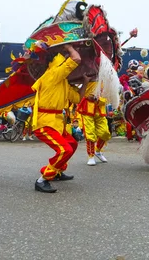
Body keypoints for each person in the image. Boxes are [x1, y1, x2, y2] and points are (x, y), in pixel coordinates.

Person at [31, 44, 89, 193]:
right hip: (44, 123)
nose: (66, 59)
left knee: (72, 144)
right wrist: (69, 46)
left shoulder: (61, 81)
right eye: (64, 58)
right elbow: (76, 58)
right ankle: (42, 179)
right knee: (65, 150)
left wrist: (86, 83)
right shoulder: (52, 74)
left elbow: (76, 98)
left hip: (56, 123)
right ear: (58, 61)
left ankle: (57, 171)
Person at [77, 81, 110, 165]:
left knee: (105, 133)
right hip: (87, 110)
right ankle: (91, 156)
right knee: (90, 133)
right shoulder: (87, 76)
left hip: (100, 110)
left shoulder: (105, 80)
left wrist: (98, 99)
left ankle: (97, 151)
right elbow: (79, 92)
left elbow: (108, 96)